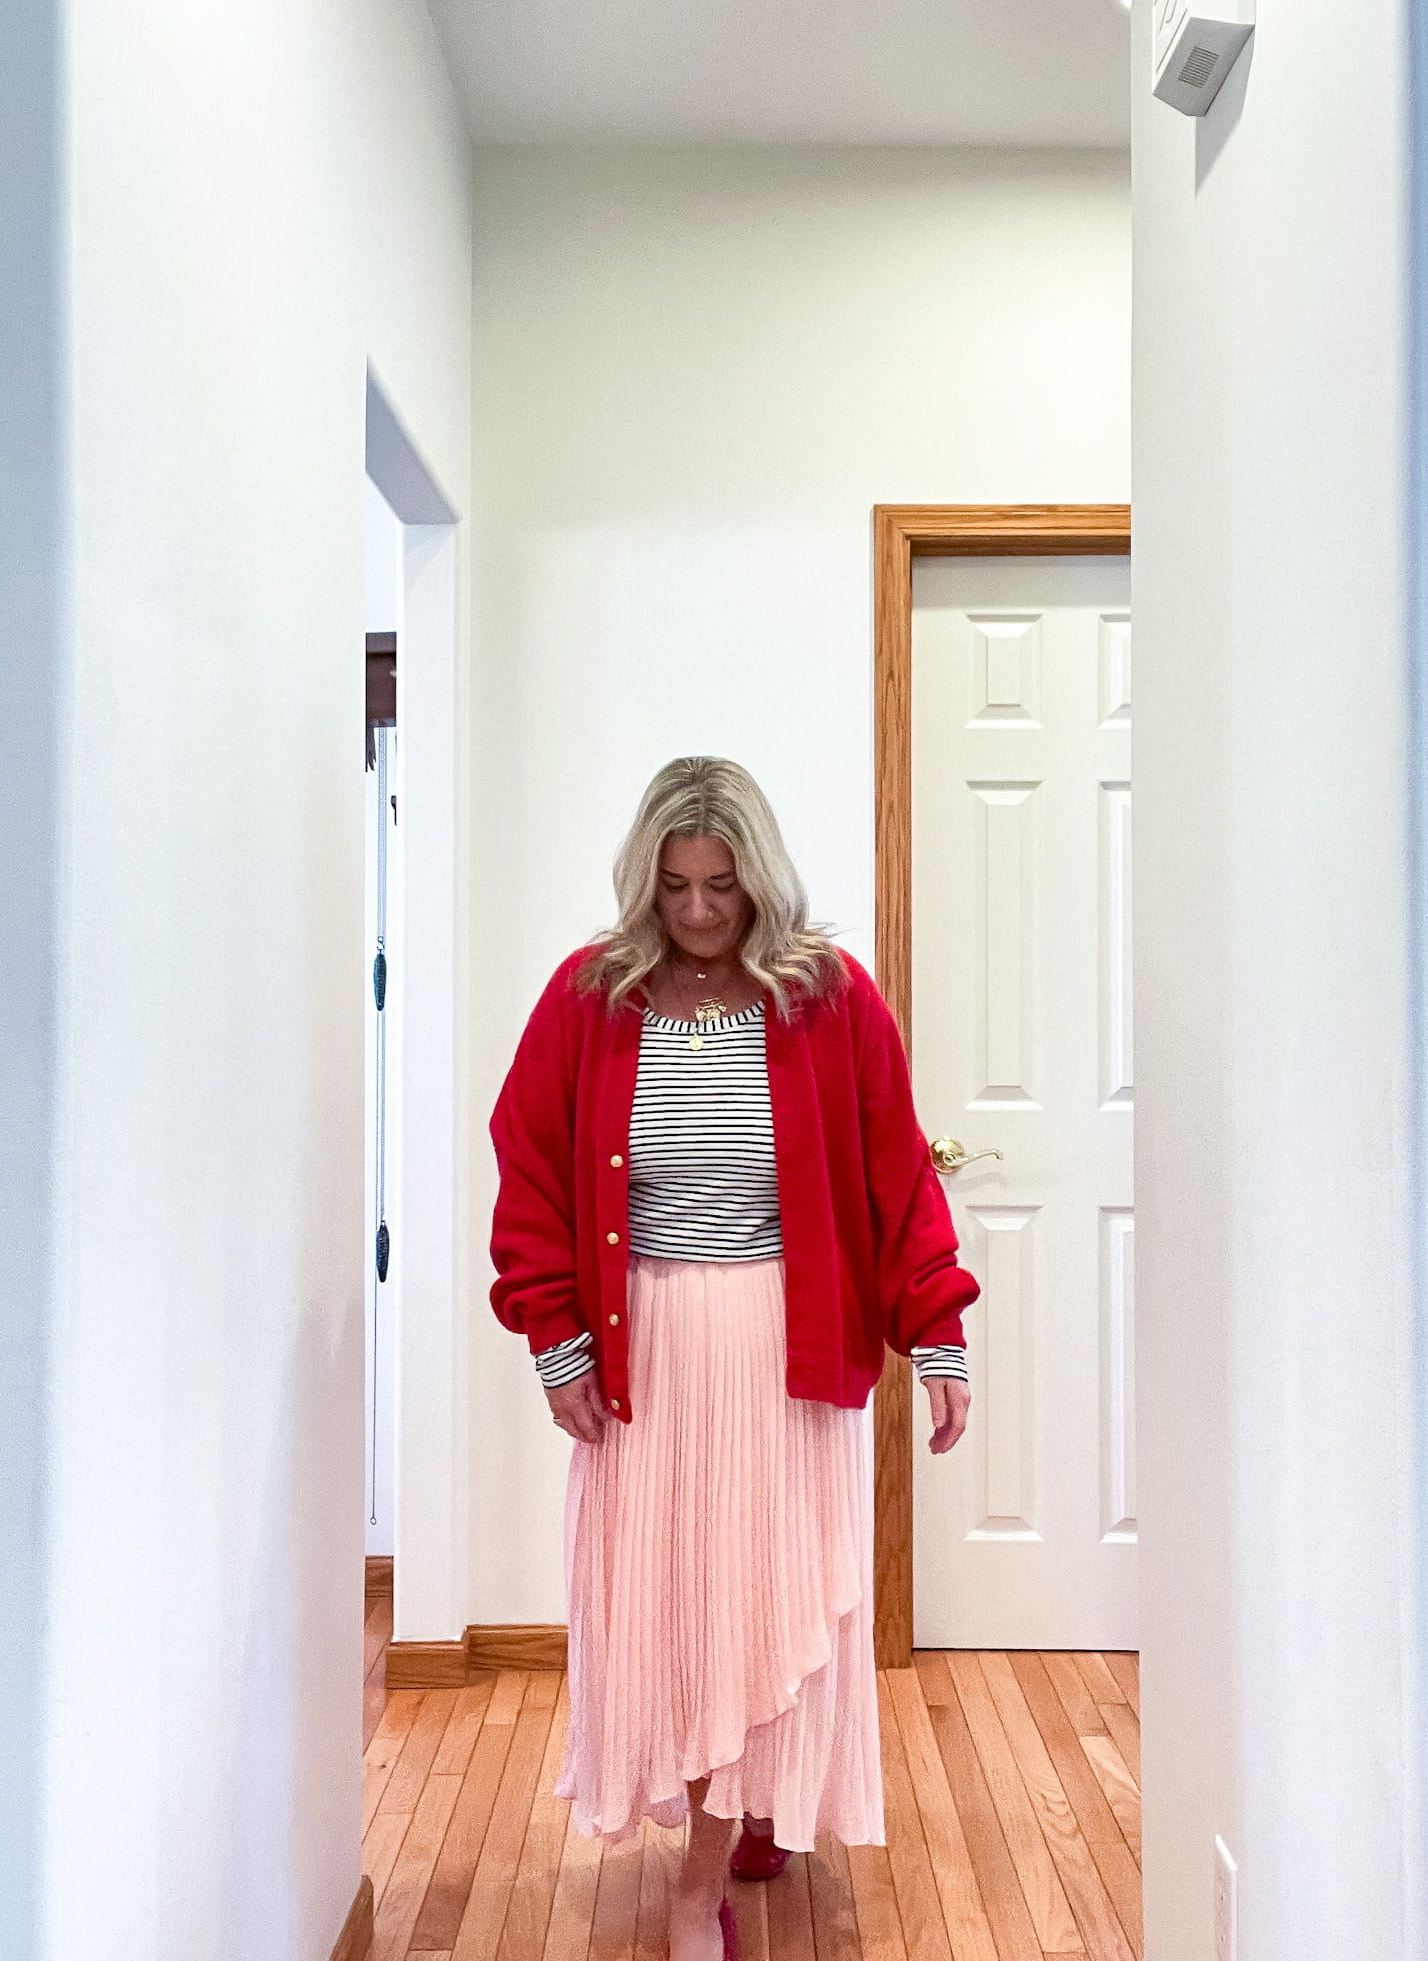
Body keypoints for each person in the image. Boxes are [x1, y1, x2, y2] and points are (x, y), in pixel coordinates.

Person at [489, 757, 978, 1961]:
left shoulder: (827, 996)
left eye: (723, 885)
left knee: (764, 1595)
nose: (700, 911)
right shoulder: (589, 996)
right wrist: (554, 1338)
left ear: (761, 877)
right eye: (675, 887)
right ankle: (705, 1858)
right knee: (669, 1604)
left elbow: (895, 1170)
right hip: (645, 1349)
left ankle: (717, 1851)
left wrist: (939, 1330)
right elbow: (532, 1169)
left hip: (782, 1346)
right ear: (643, 881)